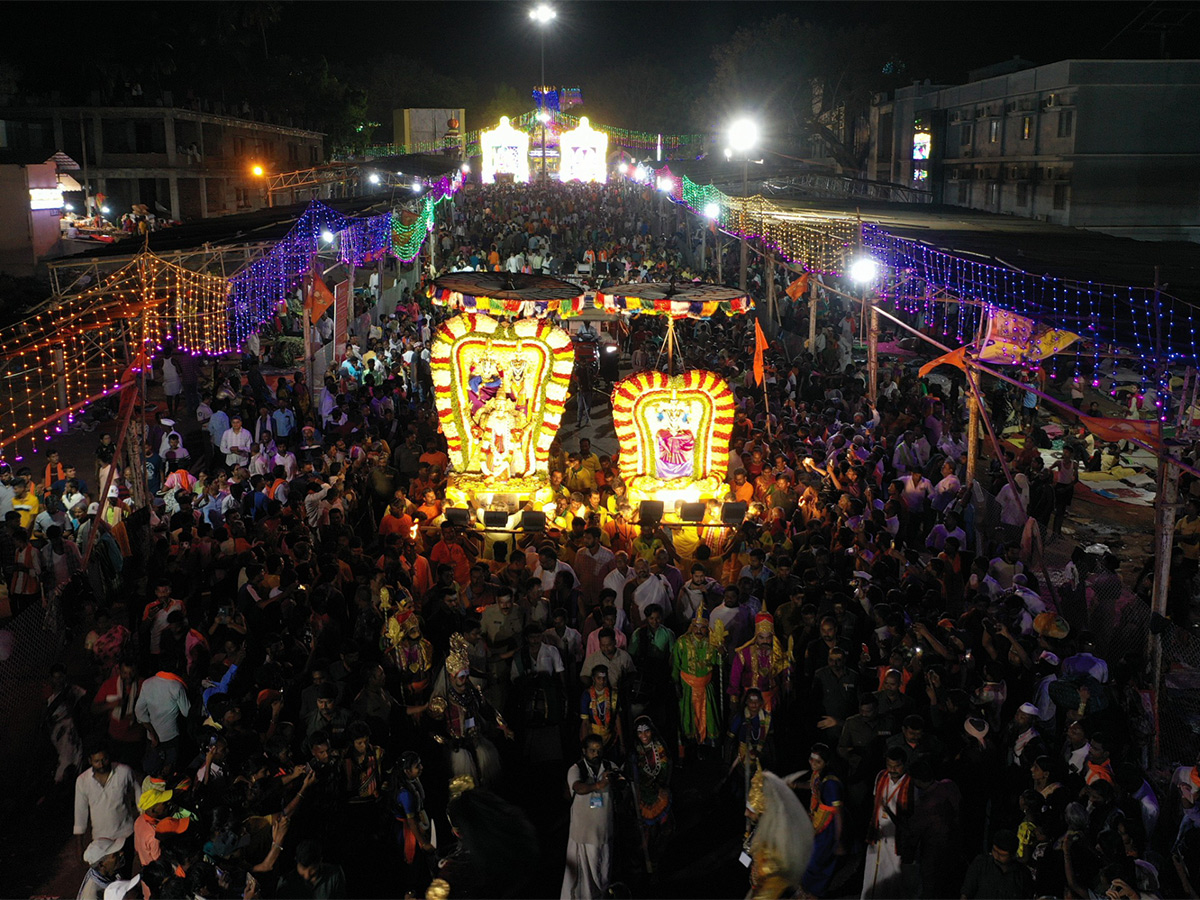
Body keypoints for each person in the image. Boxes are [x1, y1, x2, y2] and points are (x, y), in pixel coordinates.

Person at [562, 734, 619, 899]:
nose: (596, 754)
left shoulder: (609, 766)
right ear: (584, 751)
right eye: (592, 750)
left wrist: (617, 779)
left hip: (604, 830)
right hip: (585, 833)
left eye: (599, 750)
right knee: (588, 873)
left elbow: (621, 780)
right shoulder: (576, 769)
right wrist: (597, 785)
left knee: (605, 871)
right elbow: (578, 787)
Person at [861, 747, 913, 900]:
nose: (892, 770)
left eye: (897, 766)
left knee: (892, 876)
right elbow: (875, 802)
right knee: (872, 871)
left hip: (896, 839)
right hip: (878, 832)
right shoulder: (881, 776)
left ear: (905, 764)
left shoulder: (911, 784)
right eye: (889, 766)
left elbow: (910, 816)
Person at [671, 609, 721, 752]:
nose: (699, 631)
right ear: (692, 626)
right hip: (687, 687)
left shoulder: (713, 643)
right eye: (696, 627)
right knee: (687, 717)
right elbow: (675, 664)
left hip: (706, 687)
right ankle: (688, 748)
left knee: (709, 717)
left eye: (702, 628)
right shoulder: (682, 643)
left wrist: (722, 654)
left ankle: (707, 748)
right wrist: (675, 683)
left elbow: (719, 664)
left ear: (707, 628)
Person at [800, 743, 845, 896]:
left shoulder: (831, 784)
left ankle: (814, 894)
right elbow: (812, 786)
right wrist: (795, 785)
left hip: (828, 829)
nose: (813, 763)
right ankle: (807, 890)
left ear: (826, 763)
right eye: (811, 759)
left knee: (816, 862)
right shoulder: (817, 774)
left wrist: (838, 841)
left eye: (817, 761)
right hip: (817, 821)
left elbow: (838, 813)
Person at [631, 715, 673, 872]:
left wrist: (664, 785)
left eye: (647, 731)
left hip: (660, 795)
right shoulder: (634, 753)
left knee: (666, 829)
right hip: (643, 799)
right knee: (645, 834)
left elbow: (667, 765)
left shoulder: (660, 747)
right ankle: (643, 862)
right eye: (640, 732)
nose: (644, 735)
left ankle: (656, 859)